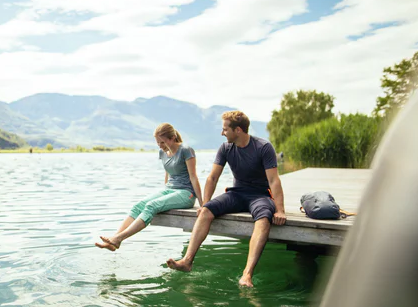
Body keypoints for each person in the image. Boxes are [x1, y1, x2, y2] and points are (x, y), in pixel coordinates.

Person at [166, 110, 287, 287]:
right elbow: (212, 178)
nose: (222, 133)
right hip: (236, 193)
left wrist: (280, 210)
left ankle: (247, 274)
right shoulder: (225, 148)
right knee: (206, 211)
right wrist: (205, 203)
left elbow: (274, 180)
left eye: (225, 129)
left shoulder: (263, 147)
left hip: (260, 195)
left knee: (263, 219)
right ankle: (187, 261)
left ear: (238, 130)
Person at [95, 123, 203, 251]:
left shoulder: (186, 150)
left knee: (152, 205)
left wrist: (203, 204)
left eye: (163, 142)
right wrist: (165, 193)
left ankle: (118, 239)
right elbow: (167, 173)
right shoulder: (162, 153)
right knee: (139, 206)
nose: (160, 146)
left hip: (186, 194)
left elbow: (193, 177)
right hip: (170, 191)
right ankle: (113, 241)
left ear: (173, 138)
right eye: (158, 143)